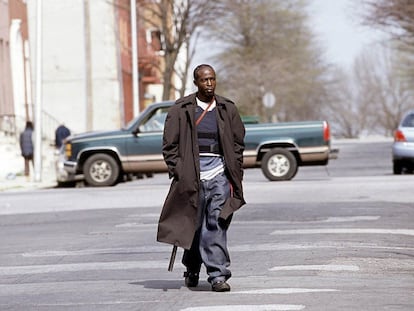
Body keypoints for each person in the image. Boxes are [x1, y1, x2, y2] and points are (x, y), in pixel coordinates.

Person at [157, 64, 246, 292]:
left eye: (212, 79)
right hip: (191, 178)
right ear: (196, 83)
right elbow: (169, 146)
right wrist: (180, 171)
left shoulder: (227, 108)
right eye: (204, 80)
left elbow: (237, 143)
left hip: (219, 175)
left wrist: (234, 170)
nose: (209, 84)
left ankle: (217, 275)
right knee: (194, 227)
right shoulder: (181, 109)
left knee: (216, 223)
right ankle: (192, 267)